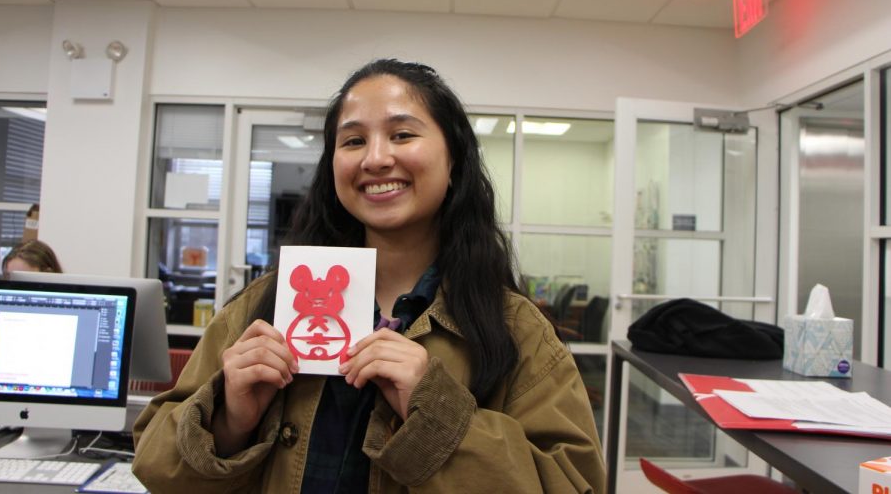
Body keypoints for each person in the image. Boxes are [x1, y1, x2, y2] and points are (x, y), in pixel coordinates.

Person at [132, 59, 606, 493]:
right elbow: (153, 464)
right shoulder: (264, 305)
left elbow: (572, 482)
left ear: (454, 161)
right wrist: (230, 420)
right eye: (353, 140)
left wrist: (436, 411)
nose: (375, 159)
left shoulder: (514, 329)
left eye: (402, 135)